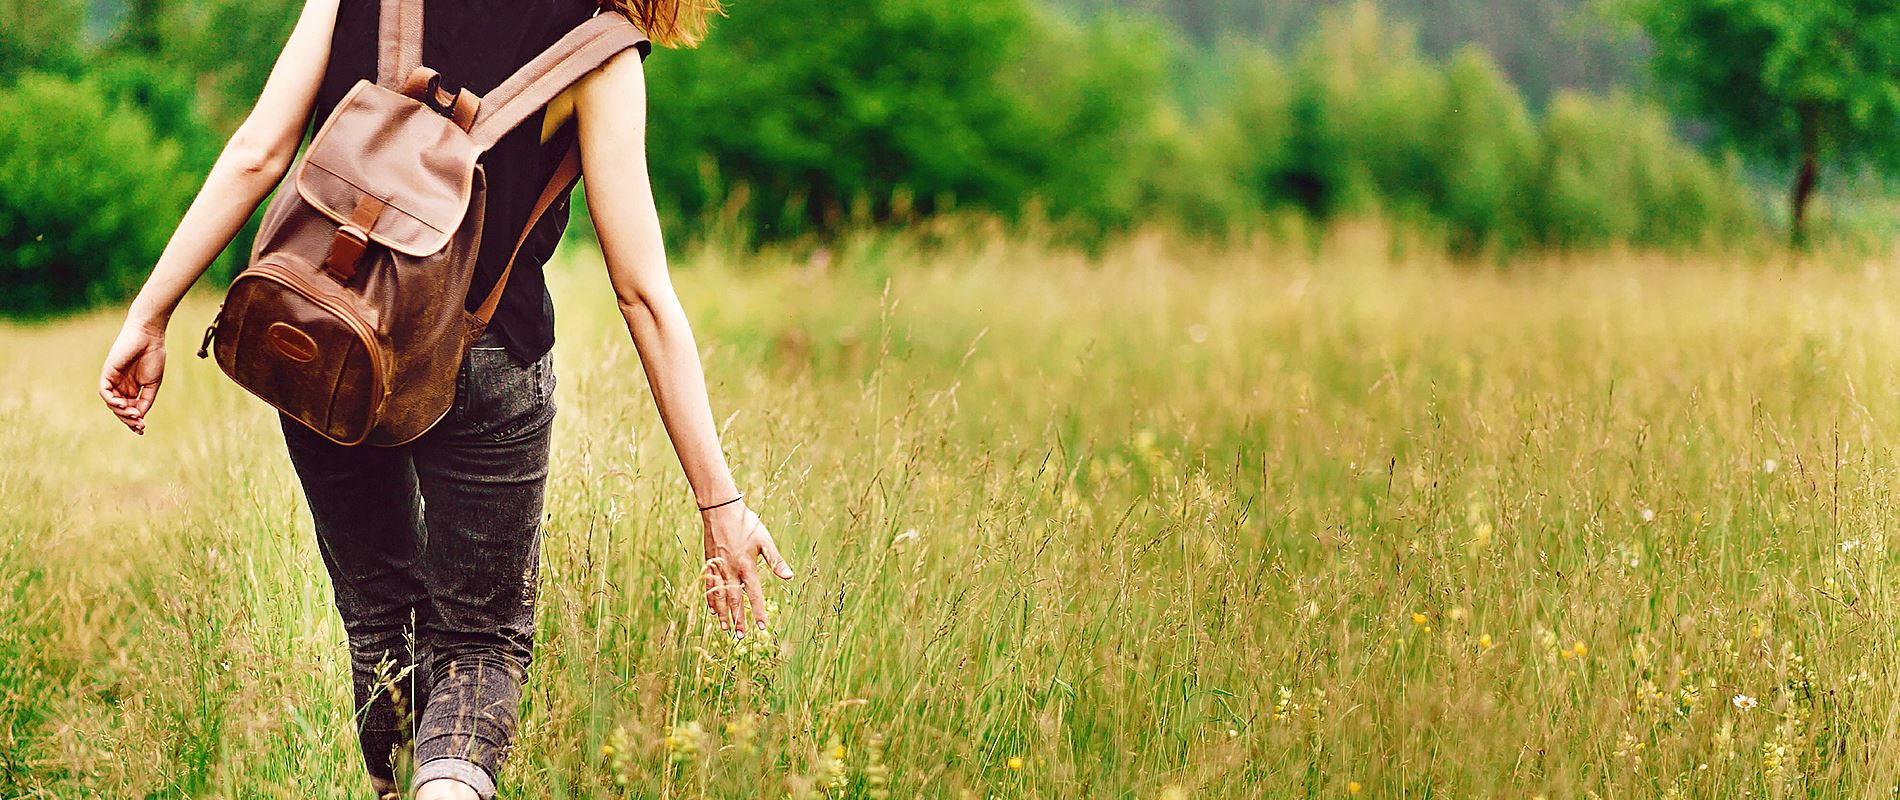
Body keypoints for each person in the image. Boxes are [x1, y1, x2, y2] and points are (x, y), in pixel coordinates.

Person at [94, 1, 795, 797]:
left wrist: (150, 314)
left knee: (380, 617)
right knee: (479, 645)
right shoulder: (601, 43)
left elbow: (259, 153)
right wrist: (718, 503)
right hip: (490, 353)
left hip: (332, 333)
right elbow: (641, 292)